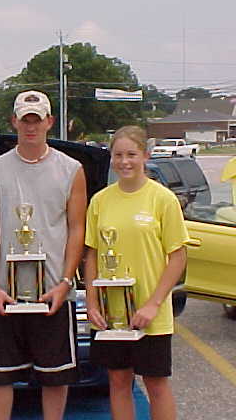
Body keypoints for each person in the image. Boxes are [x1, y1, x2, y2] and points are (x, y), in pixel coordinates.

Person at [0, 90, 87, 420]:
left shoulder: (71, 169)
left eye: (36, 120)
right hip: (6, 293)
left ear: (49, 122)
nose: (30, 127)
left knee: (55, 377)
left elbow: (77, 229)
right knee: (0, 377)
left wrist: (65, 282)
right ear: (13, 121)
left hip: (53, 290)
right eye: (25, 120)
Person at [84, 126, 188, 420]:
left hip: (150, 314)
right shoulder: (100, 201)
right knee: (118, 381)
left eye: (131, 154)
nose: (124, 162)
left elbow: (178, 257)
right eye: (118, 155)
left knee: (155, 384)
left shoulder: (163, 199)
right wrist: (92, 302)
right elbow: (92, 255)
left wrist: (153, 304)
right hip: (112, 313)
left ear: (145, 155)